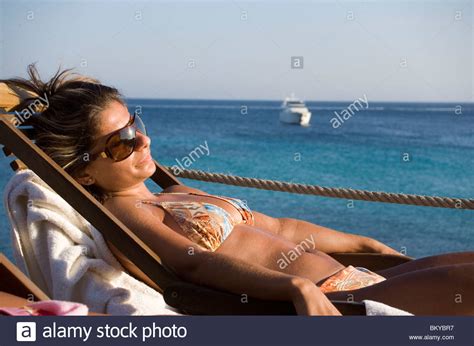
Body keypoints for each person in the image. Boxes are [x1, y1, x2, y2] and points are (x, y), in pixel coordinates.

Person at [2, 64, 473, 316]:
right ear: (84, 173)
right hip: (335, 303)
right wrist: (295, 286)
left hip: (356, 278)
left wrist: (363, 243)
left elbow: (281, 226)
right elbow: (193, 263)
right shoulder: (128, 216)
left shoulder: (171, 194)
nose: (142, 140)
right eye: (121, 142)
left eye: (135, 124)